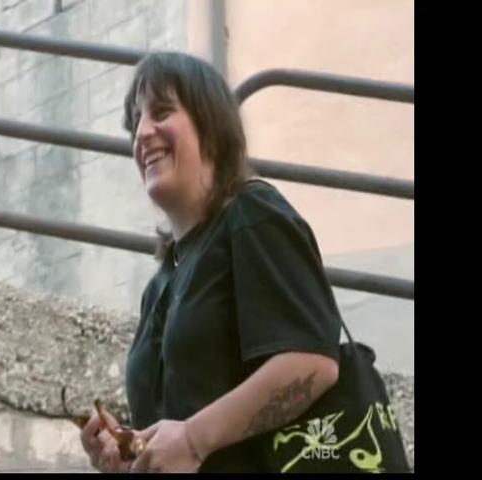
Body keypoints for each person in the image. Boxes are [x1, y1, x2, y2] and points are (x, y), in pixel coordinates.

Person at [79, 52, 344, 473]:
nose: (142, 132)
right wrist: (129, 450)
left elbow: (312, 363)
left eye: (161, 112)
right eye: (136, 121)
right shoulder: (161, 282)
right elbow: (179, 431)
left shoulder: (251, 215)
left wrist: (193, 439)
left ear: (211, 127)